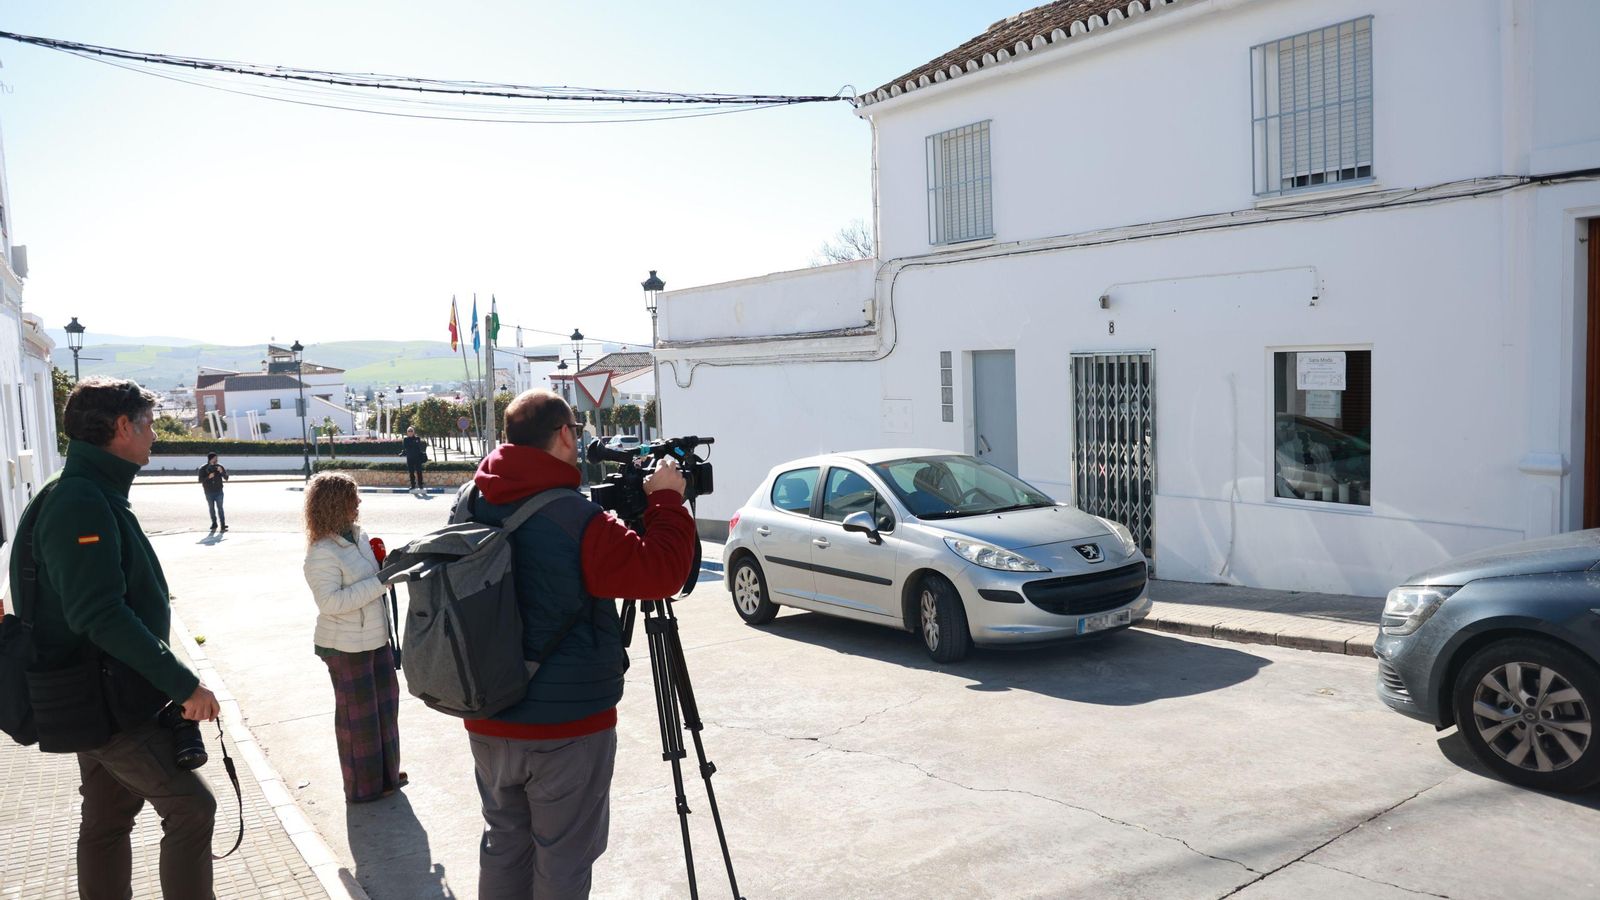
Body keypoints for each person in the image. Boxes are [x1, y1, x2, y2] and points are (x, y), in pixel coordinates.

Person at [458, 389, 694, 898]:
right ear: (565, 435)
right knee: (562, 859)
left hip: (486, 712)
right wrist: (667, 501)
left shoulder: (470, 500)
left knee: (505, 845)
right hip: (566, 725)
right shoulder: (575, 518)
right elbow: (661, 572)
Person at [12, 377, 220, 899]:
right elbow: (99, 614)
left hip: (97, 693)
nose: (155, 436)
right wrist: (183, 683)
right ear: (122, 427)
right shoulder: (80, 501)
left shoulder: (86, 491)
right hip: (106, 698)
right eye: (148, 425)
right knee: (192, 808)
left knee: (107, 818)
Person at [301, 472, 405, 803]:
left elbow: (373, 577)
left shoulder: (359, 538)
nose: (358, 502)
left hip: (374, 638)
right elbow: (330, 603)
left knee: (385, 710)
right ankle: (362, 787)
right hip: (345, 646)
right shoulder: (322, 552)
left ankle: (387, 775)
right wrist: (380, 581)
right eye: (352, 497)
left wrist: (390, 566)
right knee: (357, 720)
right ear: (335, 504)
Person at [198, 451, 229, 532]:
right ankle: (214, 523)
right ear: (210, 459)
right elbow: (200, 480)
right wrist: (208, 477)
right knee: (211, 508)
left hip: (219, 491)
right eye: (215, 458)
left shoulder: (220, 466)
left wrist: (221, 472)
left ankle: (223, 525)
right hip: (208, 492)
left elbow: (226, 478)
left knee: (220, 508)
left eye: (217, 458)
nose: (217, 460)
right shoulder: (203, 468)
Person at [400, 426, 428, 495]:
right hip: (410, 458)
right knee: (411, 472)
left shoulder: (417, 438)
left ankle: (420, 484)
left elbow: (417, 445)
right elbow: (406, 446)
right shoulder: (406, 439)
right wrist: (413, 444)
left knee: (419, 471)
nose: (410, 432)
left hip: (417, 458)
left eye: (411, 431)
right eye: (409, 431)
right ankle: (413, 485)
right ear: (407, 432)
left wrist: (412, 444)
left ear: (413, 432)